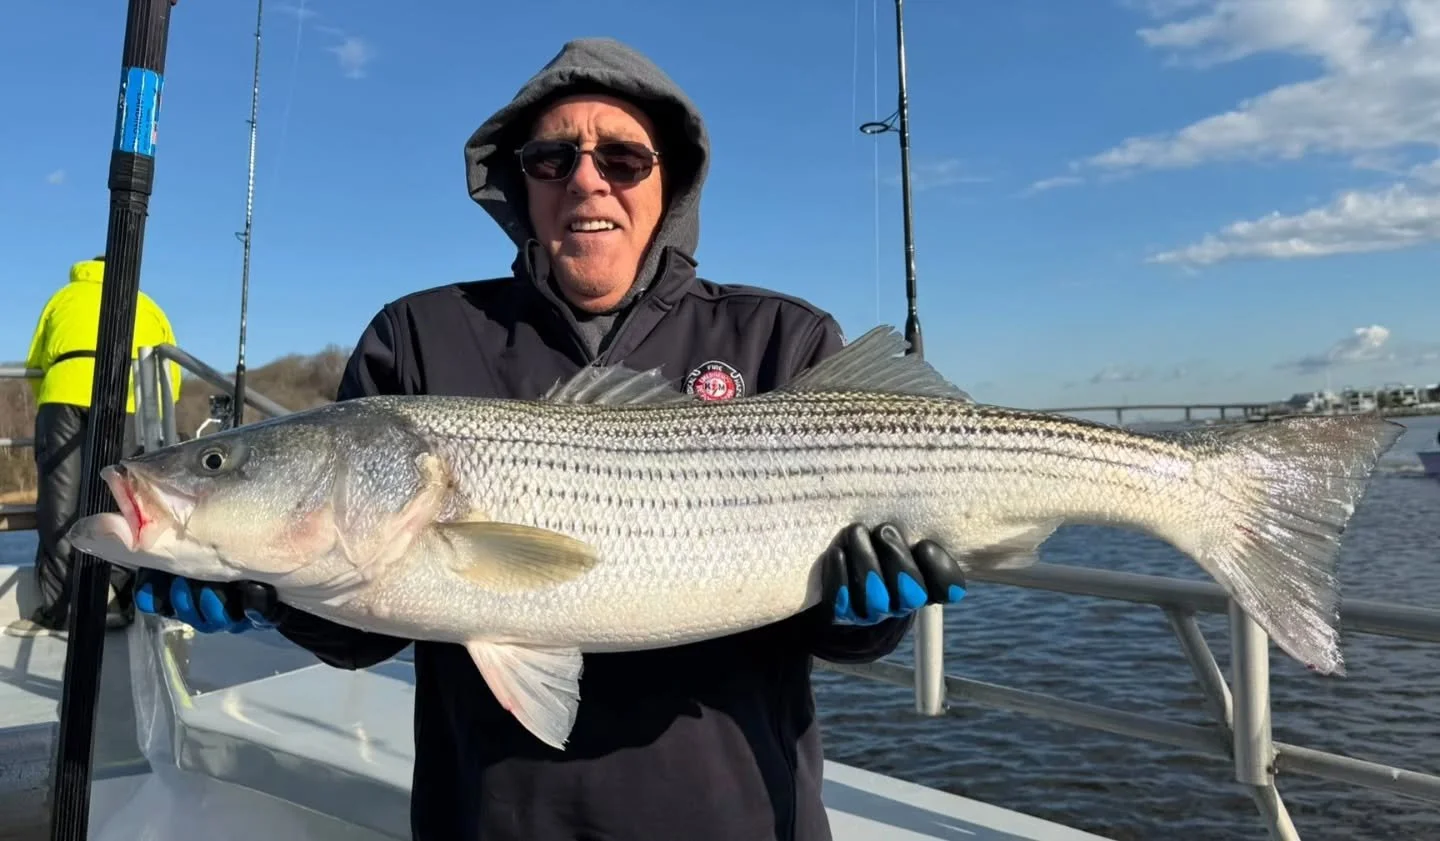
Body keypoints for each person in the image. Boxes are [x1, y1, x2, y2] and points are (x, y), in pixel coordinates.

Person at [131, 38, 969, 841]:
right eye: (551, 159)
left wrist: (870, 614)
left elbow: (837, 625)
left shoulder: (779, 336)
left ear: (668, 181)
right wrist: (278, 597)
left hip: (740, 814)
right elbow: (370, 626)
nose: (587, 182)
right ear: (519, 183)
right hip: (489, 819)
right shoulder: (420, 335)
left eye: (624, 160)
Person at [8, 255, 181, 637]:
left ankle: (56, 608)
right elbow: (171, 378)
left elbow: (39, 357)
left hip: (64, 394)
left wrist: (50, 399)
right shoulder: (147, 303)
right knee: (119, 503)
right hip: (128, 400)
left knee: (60, 501)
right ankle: (114, 601)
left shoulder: (63, 297)